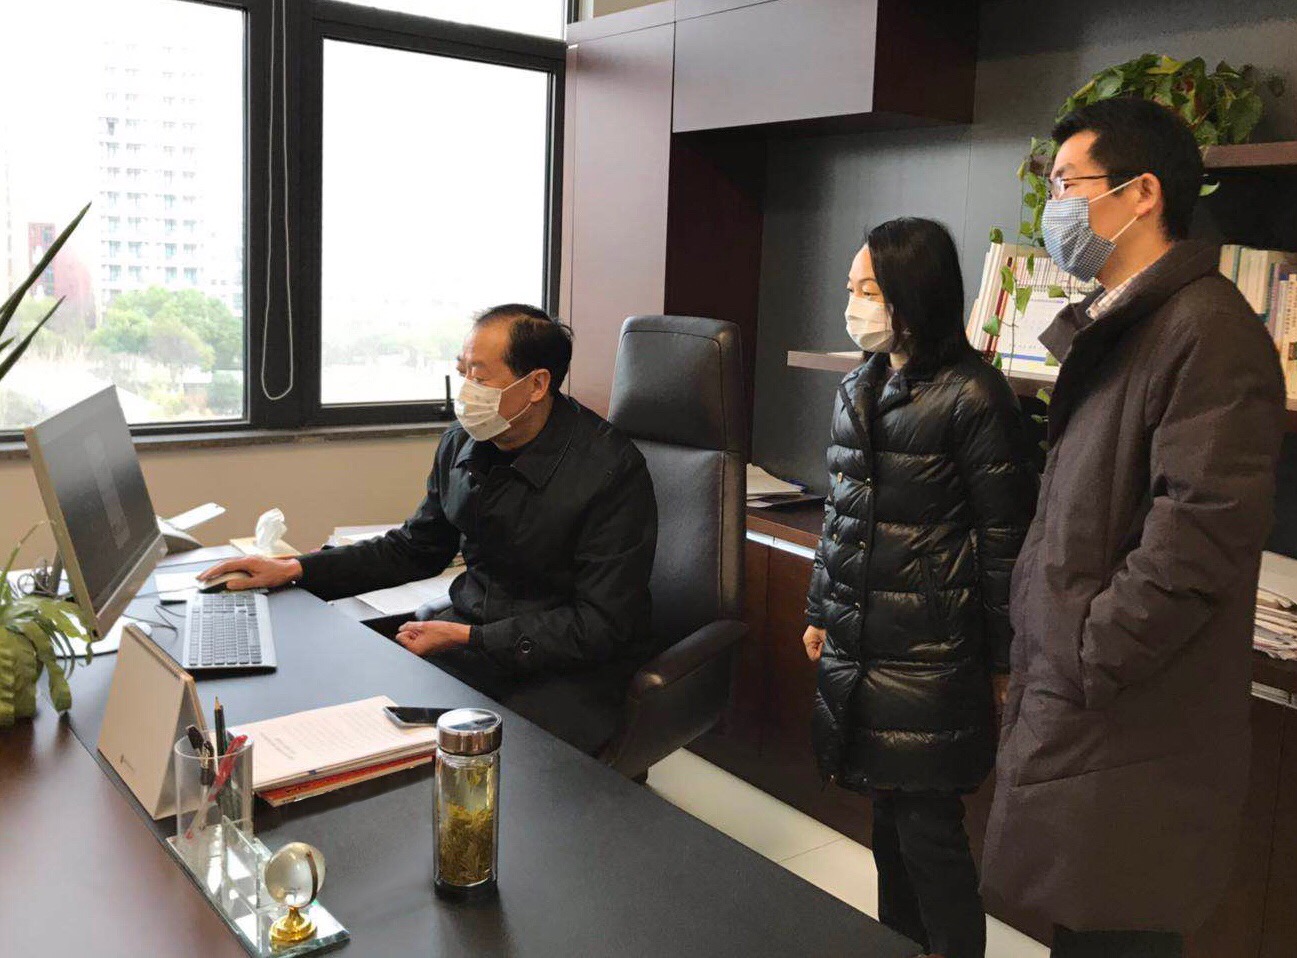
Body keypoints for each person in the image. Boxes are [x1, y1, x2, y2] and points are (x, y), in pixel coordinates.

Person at [980, 98, 1287, 958]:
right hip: (1093, 702)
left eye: (1066, 184)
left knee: (1117, 931)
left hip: (1131, 714)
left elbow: (1201, 532)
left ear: (1141, 192)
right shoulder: (1129, 323)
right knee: (1086, 923)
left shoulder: (1205, 330)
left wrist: (1089, 649)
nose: (1054, 208)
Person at [199, 304, 658, 755]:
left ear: (537, 384)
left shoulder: (609, 470)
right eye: (462, 372)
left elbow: (600, 625)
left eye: (480, 377)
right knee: (353, 711)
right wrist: (297, 569)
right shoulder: (462, 444)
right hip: (475, 642)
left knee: (492, 762)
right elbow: (415, 547)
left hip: (570, 668)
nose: (467, 390)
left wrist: (471, 638)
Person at [802, 217, 1036, 958]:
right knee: (886, 820)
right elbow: (841, 514)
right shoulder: (857, 385)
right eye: (851, 288)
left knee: (929, 832)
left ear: (914, 293)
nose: (855, 304)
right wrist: (820, 609)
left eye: (869, 289)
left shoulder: (974, 395)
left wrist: (1003, 659)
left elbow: (1005, 541)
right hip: (864, 638)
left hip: (934, 650)